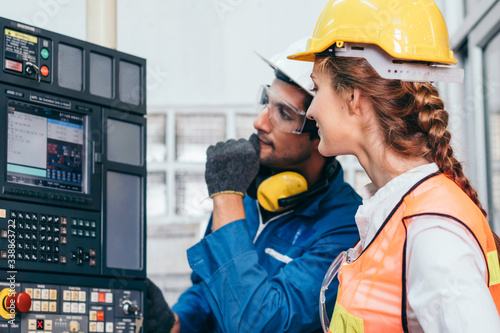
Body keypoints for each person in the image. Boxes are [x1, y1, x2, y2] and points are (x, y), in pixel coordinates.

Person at [287, 0, 500, 332]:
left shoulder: (432, 234)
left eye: (317, 88)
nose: (310, 110)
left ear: (354, 97)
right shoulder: (403, 211)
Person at [168, 39, 362, 332]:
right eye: (266, 103)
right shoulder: (245, 196)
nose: (260, 122)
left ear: (319, 130)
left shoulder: (346, 227)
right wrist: (175, 322)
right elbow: (208, 292)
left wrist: (226, 197)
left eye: (283, 113)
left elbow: (262, 324)